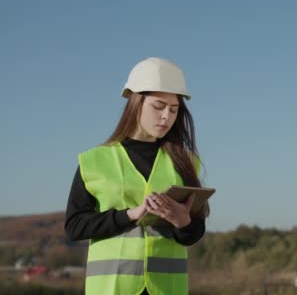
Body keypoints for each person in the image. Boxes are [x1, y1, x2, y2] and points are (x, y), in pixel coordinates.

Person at [65, 57, 209, 295]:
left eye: (173, 110)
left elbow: (194, 233)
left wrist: (183, 222)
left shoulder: (184, 161)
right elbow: (74, 227)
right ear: (136, 103)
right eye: (158, 106)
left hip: (167, 289)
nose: (166, 117)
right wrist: (130, 215)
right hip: (111, 290)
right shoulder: (94, 161)